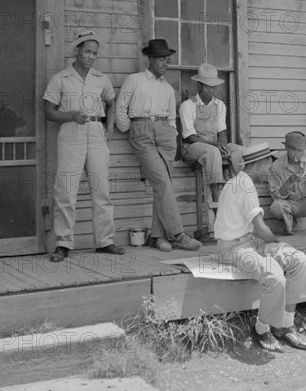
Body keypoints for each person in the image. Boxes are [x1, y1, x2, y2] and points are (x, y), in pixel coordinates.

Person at [214, 142, 306, 352]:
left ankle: (286, 325)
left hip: (247, 242)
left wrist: (270, 243)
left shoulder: (242, 181)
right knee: (275, 275)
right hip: (233, 250)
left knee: (298, 259)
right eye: (268, 163)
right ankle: (262, 329)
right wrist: (277, 243)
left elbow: (253, 229)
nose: (270, 168)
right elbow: (262, 229)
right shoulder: (245, 185)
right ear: (259, 164)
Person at [43, 31, 125, 262]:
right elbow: (48, 112)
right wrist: (69, 115)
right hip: (71, 135)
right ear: (77, 51)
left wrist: (109, 128)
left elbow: (111, 102)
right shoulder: (60, 78)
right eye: (87, 51)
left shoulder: (101, 79)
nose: (91, 57)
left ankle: (105, 242)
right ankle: (63, 243)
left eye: (94, 53)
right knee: (66, 192)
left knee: (102, 191)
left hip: (97, 135)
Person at [115, 39, 201, 252]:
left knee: (163, 187)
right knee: (163, 183)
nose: (166, 63)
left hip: (165, 134)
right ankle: (178, 234)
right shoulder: (134, 80)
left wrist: (171, 133)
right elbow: (121, 109)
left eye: (167, 59)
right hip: (142, 132)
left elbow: (172, 117)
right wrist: (133, 128)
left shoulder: (168, 89)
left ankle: (157, 236)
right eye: (162, 59)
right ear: (150, 59)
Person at [179, 63, 242, 202]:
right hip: (193, 146)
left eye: (213, 86)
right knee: (212, 152)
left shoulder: (219, 105)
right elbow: (190, 137)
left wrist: (223, 145)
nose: (210, 90)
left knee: (240, 151)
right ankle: (217, 195)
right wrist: (214, 145)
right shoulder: (188, 105)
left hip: (214, 144)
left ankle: (240, 189)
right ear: (199, 85)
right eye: (207, 86)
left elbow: (222, 132)